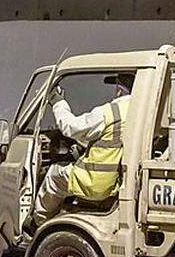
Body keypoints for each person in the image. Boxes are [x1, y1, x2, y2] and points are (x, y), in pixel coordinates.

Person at [21, 73, 134, 239]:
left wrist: (58, 102)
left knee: (54, 175)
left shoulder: (110, 112)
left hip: (95, 182)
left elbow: (70, 127)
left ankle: (36, 224)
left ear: (119, 90)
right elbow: (112, 141)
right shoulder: (141, 111)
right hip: (116, 183)